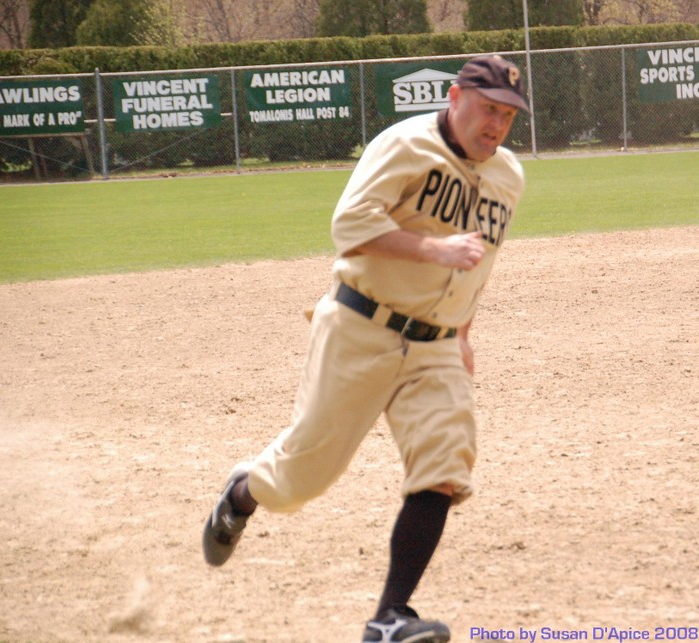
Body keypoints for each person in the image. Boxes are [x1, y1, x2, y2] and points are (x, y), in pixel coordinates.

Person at [203, 54, 530, 643]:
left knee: (445, 467)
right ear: (455, 98)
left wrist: (463, 334)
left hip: (434, 346)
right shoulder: (403, 146)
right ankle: (244, 491)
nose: (497, 125)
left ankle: (389, 617)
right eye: (488, 109)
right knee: (301, 478)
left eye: (508, 115)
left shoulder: (509, 176)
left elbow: (480, 261)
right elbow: (349, 227)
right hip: (361, 328)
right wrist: (433, 249)